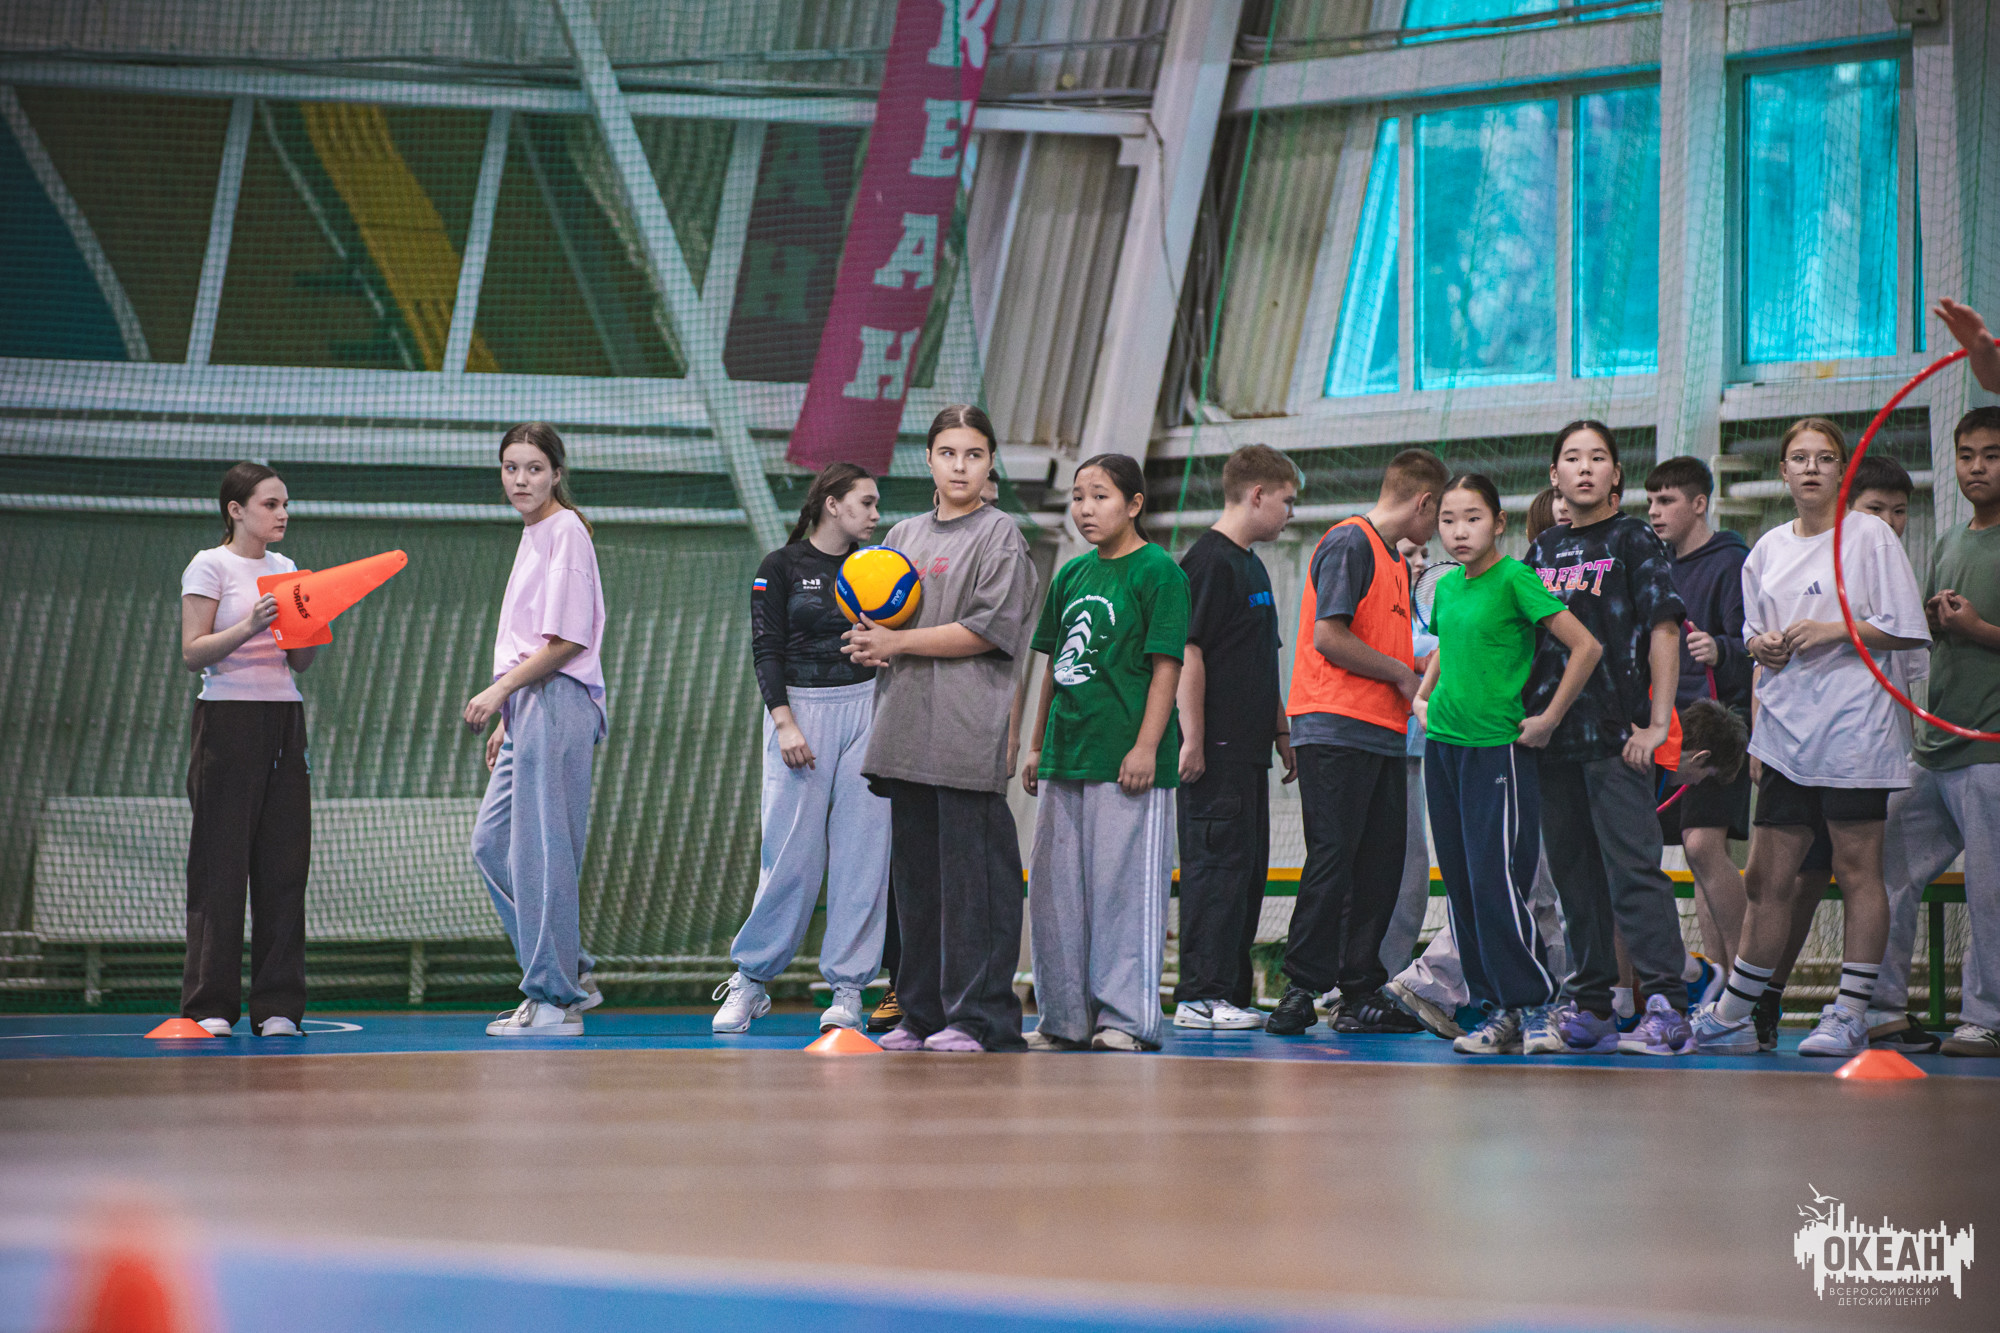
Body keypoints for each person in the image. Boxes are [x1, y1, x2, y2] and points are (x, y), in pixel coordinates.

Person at [1689, 418, 1930, 1057]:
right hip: (1786, 736)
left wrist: (1837, 629)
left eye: (1825, 458)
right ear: (1784, 472)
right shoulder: (1767, 550)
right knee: (1767, 878)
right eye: (1799, 458)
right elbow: (1752, 634)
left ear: (1842, 470)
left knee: (1856, 870)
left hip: (1856, 731)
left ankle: (1849, 1013)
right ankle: (1737, 1012)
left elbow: (1908, 627)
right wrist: (1760, 646)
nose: (1812, 468)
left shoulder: (1870, 537)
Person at [846, 405, 1041, 1053]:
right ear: (928, 459)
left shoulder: (1000, 535)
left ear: (990, 464)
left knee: (972, 886)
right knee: (917, 886)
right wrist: (870, 642)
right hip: (903, 730)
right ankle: (921, 1014)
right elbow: (880, 620)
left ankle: (979, 1018)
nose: (961, 466)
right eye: (949, 453)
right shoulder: (901, 535)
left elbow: (987, 630)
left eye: (974, 455)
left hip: (965, 733)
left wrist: (895, 643)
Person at [1518, 420, 1692, 1057]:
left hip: (1617, 741)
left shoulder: (1633, 538)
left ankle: (1667, 1007)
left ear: (1616, 474)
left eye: (1598, 458)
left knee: (1634, 872)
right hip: (1551, 744)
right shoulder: (1541, 552)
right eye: (1572, 457)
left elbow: (1664, 629)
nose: (1585, 467)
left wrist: (1657, 724)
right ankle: (1591, 1006)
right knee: (1574, 879)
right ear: (1555, 476)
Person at [1410, 474, 1601, 1054]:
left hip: (1497, 750)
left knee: (1497, 884)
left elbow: (1586, 646)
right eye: (1448, 520)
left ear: (1497, 523)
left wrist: (1548, 719)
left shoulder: (1517, 578)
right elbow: (1448, 646)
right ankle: (1498, 1009)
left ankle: (1538, 1003)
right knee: (1463, 888)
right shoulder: (1448, 587)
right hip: (1443, 748)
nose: (1459, 531)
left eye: (1472, 518)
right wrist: (1423, 697)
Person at [1265, 449, 1447, 1037]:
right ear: (1423, 502)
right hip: (1334, 728)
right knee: (1333, 858)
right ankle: (1300, 988)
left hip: (1384, 734)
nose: (1439, 528)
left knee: (1380, 863)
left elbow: (1390, 646)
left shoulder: (1396, 562)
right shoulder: (1350, 542)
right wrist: (1401, 675)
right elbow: (1330, 637)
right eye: (1439, 514)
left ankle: (1358, 989)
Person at [712, 464, 892, 1034]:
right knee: (790, 855)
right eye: (866, 502)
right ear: (832, 504)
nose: (876, 514)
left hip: (868, 710)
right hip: (801, 717)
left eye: (877, 504)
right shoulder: (781, 566)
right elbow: (766, 648)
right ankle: (751, 979)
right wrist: (784, 722)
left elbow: (894, 641)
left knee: (864, 856)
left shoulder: (881, 566)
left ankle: (848, 989)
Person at [1022, 455, 1189, 1052]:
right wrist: (1035, 744)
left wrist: (1146, 746)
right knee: (1056, 898)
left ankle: (1126, 1020)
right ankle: (1063, 1020)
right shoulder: (1071, 574)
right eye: (1078, 497)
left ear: (1134, 504)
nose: (1085, 509)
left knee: (1124, 894)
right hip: (1066, 753)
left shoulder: (1160, 573)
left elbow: (1167, 666)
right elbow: (1053, 668)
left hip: (1126, 764)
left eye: (1100, 497)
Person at [470, 423, 609, 1037]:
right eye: (510, 468)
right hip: (529, 707)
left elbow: (567, 640)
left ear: (556, 473)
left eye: (533, 468)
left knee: (543, 853)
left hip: (555, 700)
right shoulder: (534, 534)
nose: (520, 479)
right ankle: (569, 964)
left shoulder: (566, 531)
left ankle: (554, 1000)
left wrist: (500, 690)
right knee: (492, 845)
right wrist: (509, 718)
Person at [1870, 407, 2000, 1056]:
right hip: (1935, 749)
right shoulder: (1949, 541)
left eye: (1992, 455)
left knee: (1991, 890)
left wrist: (1978, 630)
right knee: (1887, 869)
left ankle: (1987, 1016)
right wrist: (1934, 619)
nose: (1977, 467)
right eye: (1967, 454)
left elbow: (1977, 631)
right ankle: (1880, 1009)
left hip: (1990, 751)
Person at [178, 463, 323, 1038]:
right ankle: (209, 1005)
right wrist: (251, 624)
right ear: (236, 510)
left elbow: (300, 661)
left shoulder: (286, 569)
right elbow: (193, 651)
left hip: (284, 720)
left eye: (285, 504)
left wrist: (313, 624)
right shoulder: (208, 565)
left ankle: (278, 1007)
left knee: (284, 865)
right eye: (270, 504)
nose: (282, 514)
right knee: (220, 866)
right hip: (227, 720)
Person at [1171, 444, 1298, 1030]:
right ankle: (1200, 995)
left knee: (1246, 875)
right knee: (1215, 872)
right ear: (1257, 495)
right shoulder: (1207, 563)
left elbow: (1261, 658)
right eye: (1287, 501)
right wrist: (1193, 738)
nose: (1290, 514)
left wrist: (1281, 730)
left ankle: (1230, 993)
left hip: (1249, 755)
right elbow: (1188, 651)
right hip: (1215, 753)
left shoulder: (1253, 565)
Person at [1645, 456, 1752, 987]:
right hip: (1667, 731)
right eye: (1650, 501)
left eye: (1666, 500)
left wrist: (1722, 649)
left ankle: (1745, 984)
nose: (1654, 511)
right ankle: (1716, 982)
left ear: (1700, 503)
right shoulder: (1656, 567)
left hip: (1717, 729)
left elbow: (1754, 643)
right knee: (1683, 853)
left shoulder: (1732, 562)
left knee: (1704, 845)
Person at [1376, 536, 1436, 986]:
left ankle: (1389, 981)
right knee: (1389, 873)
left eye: (1423, 555)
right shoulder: (1380, 609)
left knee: (1414, 878)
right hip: (1384, 753)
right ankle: (1363, 980)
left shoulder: (1435, 611)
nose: (1418, 563)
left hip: (1428, 755)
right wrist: (1415, 663)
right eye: (1408, 554)